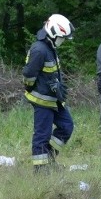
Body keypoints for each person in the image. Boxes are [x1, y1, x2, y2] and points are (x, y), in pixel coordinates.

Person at [22, 13, 75, 171]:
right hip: (42, 100)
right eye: (62, 37)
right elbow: (28, 75)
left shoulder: (50, 46)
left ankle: (49, 158)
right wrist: (37, 88)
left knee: (67, 126)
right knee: (42, 135)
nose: (63, 41)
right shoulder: (39, 50)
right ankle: (40, 170)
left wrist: (55, 85)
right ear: (53, 33)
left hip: (54, 99)